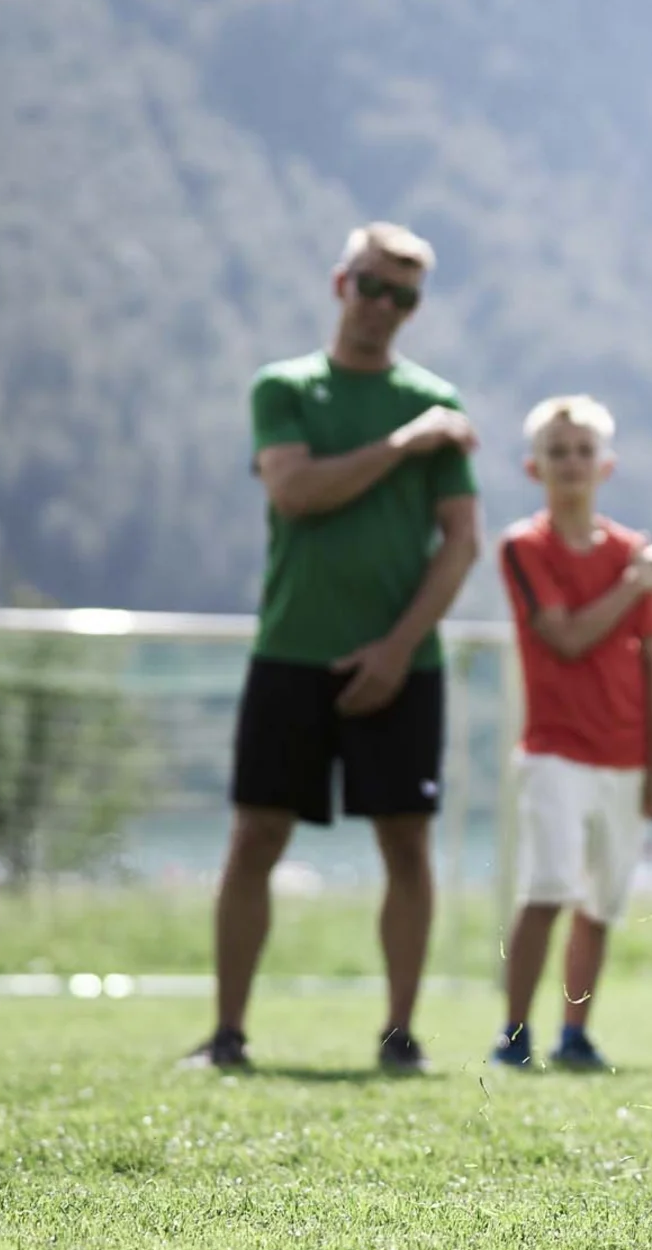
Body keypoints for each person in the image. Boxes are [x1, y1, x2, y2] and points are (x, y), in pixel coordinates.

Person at [186, 223, 482, 1073]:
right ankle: (228, 1037)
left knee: (407, 848)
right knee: (254, 840)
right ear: (340, 283)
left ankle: (400, 1038)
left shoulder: (438, 402)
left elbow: (461, 543)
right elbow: (296, 491)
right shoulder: (284, 388)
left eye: (405, 295)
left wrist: (396, 649)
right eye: (373, 286)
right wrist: (406, 443)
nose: (385, 307)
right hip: (291, 652)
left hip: (404, 665)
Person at [492, 395, 652, 1070]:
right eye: (557, 452)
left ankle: (573, 1035)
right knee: (546, 889)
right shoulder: (523, 547)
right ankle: (512, 1034)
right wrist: (634, 587)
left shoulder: (632, 553)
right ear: (533, 466)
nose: (570, 463)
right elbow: (565, 637)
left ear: (605, 465)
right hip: (554, 750)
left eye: (581, 452)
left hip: (627, 755)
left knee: (601, 902)